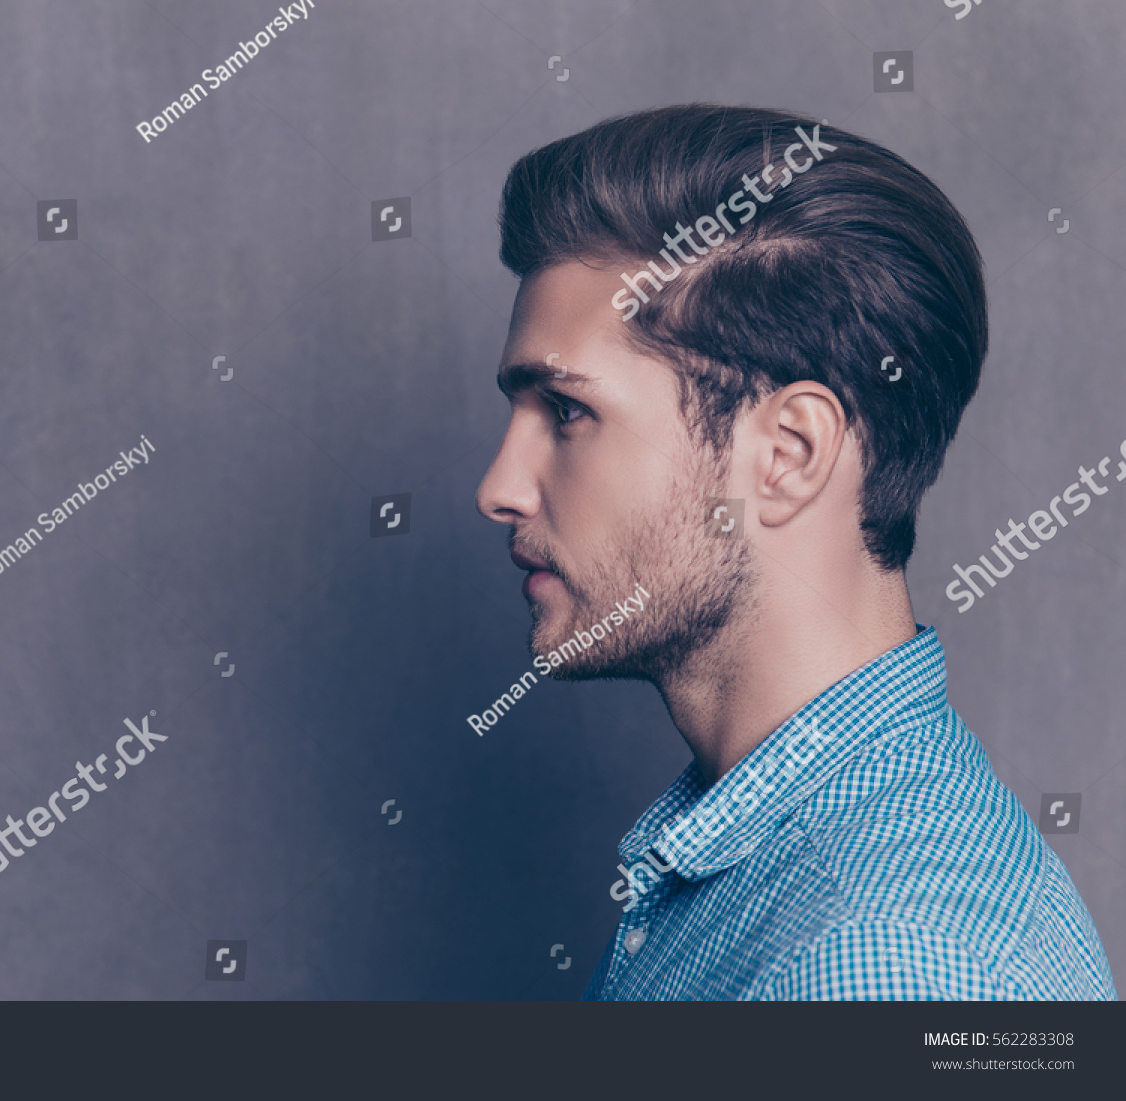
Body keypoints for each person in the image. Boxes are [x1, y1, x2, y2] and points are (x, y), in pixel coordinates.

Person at [476, 105, 1115, 999]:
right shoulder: (764, 853)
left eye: (567, 412)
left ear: (789, 455)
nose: (499, 485)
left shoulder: (891, 966)